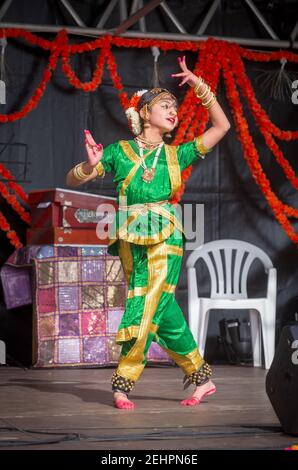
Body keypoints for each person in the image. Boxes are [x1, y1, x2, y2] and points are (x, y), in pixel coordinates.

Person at [66, 56, 231, 410]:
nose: (173, 111)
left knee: (143, 301)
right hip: (128, 234)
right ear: (143, 112)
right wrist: (88, 167)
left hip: (166, 234)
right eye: (165, 105)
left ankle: (123, 382)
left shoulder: (177, 154)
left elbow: (221, 127)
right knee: (162, 306)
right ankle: (202, 378)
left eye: (174, 106)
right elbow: (70, 180)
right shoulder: (118, 153)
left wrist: (200, 86)